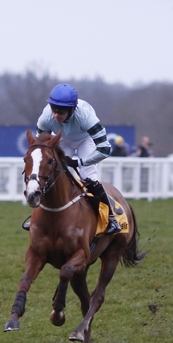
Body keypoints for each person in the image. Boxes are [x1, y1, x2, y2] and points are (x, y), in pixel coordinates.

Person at [27, 83, 121, 234]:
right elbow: (40, 148)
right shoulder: (45, 117)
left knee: (88, 178)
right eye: (54, 110)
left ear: (72, 110)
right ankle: (36, 217)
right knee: (52, 175)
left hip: (86, 140)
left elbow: (105, 149)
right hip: (63, 140)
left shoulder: (86, 117)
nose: (56, 115)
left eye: (61, 112)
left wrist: (79, 162)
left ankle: (111, 218)